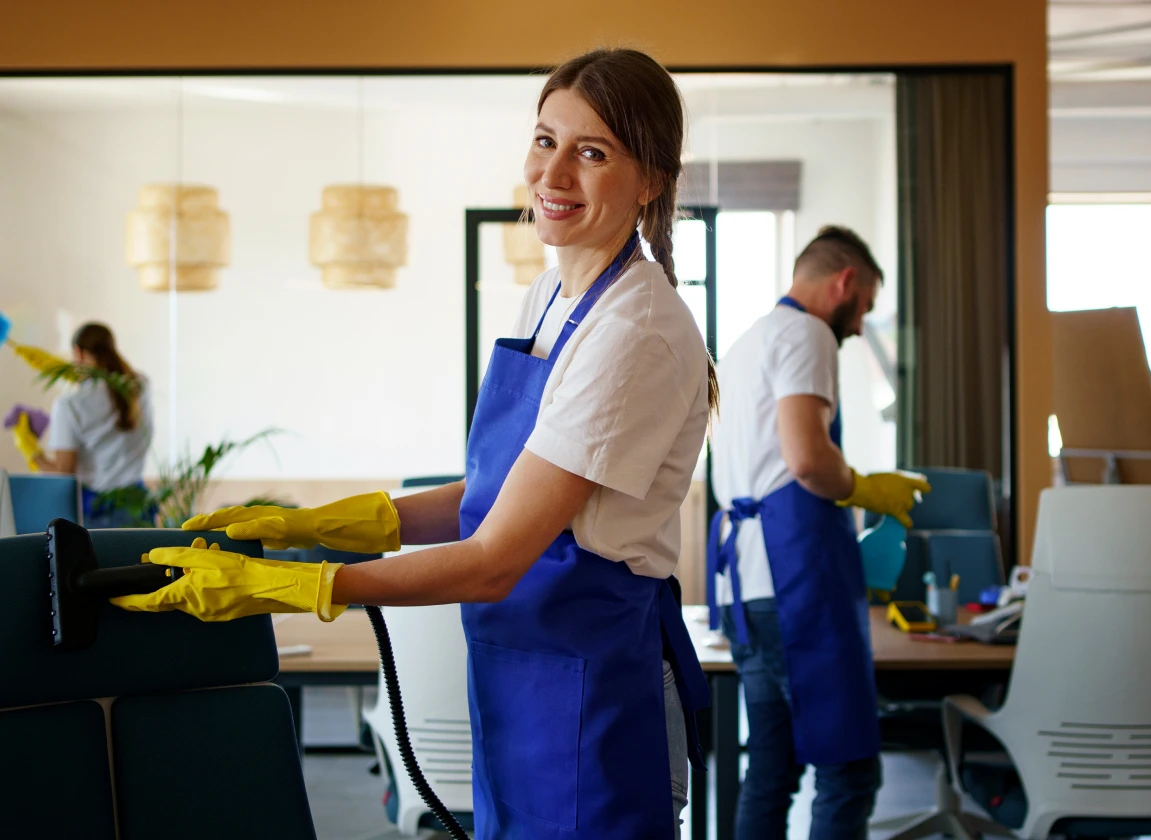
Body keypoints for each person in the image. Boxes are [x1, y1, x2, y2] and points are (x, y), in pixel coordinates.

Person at [112, 49, 715, 840]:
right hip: (521, 677)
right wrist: (319, 524)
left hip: (587, 690)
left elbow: (499, 555)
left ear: (651, 181)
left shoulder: (633, 329)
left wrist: (295, 586)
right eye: (545, 140)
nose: (554, 173)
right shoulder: (555, 293)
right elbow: (496, 496)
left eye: (592, 152)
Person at [707, 226, 930, 840]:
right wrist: (862, 486)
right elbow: (806, 458)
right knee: (847, 770)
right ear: (846, 282)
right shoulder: (808, 333)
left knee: (771, 771)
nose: (859, 326)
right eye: (864, 308)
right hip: (796, 581)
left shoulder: (747, 341)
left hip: (747, 585)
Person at [17, 322, 153, 527]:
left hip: (101, 516)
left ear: (78, 353)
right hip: (140, 507)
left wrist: (32, 451)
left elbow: (63, 474)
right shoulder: (140, 385)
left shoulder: (69, 404)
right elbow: (109, 391)